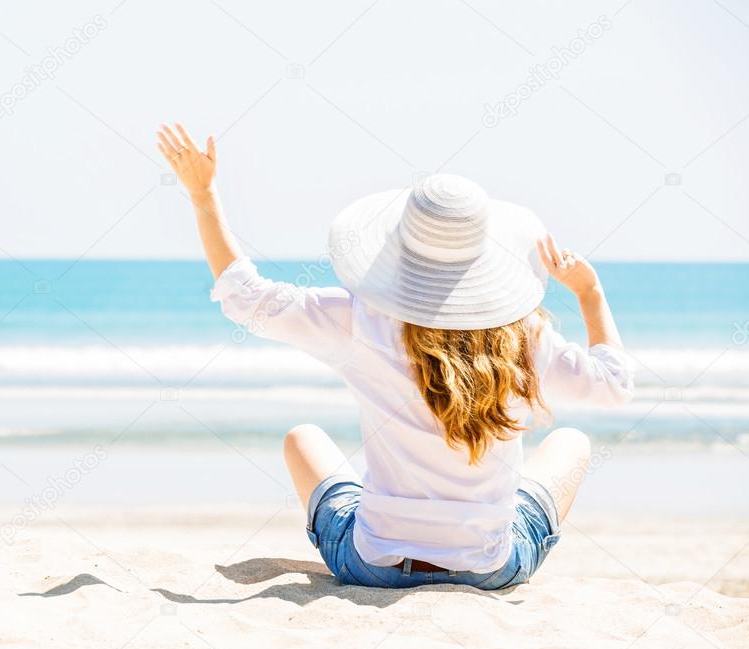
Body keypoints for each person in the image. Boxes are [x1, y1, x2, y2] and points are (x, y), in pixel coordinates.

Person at [157, 122, 634, 589]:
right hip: (491, 566)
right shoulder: (524, 338)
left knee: (302, 439)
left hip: (375, 565)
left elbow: (247, 298)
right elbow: (613, 388)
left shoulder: (362, 320)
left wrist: (203, 196)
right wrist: (590, 293)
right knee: (571, 443)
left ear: (399, 248)